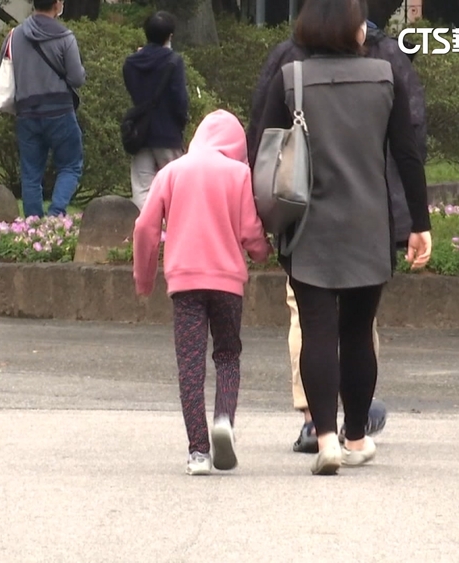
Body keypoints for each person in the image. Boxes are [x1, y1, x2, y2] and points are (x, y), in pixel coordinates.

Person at [250, 0, 432, 475]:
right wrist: (419, 222)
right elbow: (408, 154)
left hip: (307, 223)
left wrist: (262, 219)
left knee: (316, 329)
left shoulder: (290, 78)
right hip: (369, 223)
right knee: (357, 332)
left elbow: (264, 151)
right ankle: (356, 436)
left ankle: (325, 438)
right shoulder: (383, 76)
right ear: (354, 29)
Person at [133, 109, 270, 476]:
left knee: (190, 366)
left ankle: (197, 451)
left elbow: (145, 226)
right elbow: (250, 230)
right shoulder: (239, 174)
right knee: (227, 354)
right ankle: (224, 419)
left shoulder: (172, 172)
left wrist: (144, 278)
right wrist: (262, 253)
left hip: (185, 283)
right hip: (227, 283)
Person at [0, 0, 86, 218]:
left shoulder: (14, 35)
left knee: (30, 174)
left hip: (26, 112)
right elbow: (77, 78)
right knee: (70, 165)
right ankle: (56, 215)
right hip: (59, 110)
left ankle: (31, 228)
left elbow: (3, 69)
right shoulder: (65, 37)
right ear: (57, 4)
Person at [122, 10, 188, 209]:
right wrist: (181, 123)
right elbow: (180, 101)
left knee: (143, 190)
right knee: (175, 189)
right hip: (168, 133)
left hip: (141, 133)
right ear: (170, 36)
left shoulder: (131, 63)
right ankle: (172, 233)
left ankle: (147, 230)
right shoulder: (174, 62)